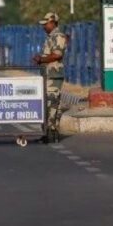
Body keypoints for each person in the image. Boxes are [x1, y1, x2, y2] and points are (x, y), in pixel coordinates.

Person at [32, 12, 67, 141]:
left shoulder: (58, 36)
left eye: (46, 24)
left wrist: (42, 59)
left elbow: (57, 54)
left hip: (54, 76)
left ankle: (51, 133)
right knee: (48, 105)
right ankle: (48, 133)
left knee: (52, 105)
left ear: (52, 23)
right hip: (48, 75)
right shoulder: (51, 37)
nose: (44, 27)